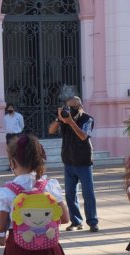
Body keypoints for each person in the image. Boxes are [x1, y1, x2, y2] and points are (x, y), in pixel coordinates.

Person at [48, 95, 99, 232]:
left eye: (74, 107)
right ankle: (76, 221)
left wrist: (70, 122)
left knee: (88, 193)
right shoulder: (64, 120)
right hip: (69, 160)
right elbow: (51, 130)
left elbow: (83, 136)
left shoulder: (88, 119)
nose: (71, 110)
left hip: (84, 161)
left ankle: (93, 222)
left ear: (80, 106)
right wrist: (60, 119)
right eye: (68, 107)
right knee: (70, 194)